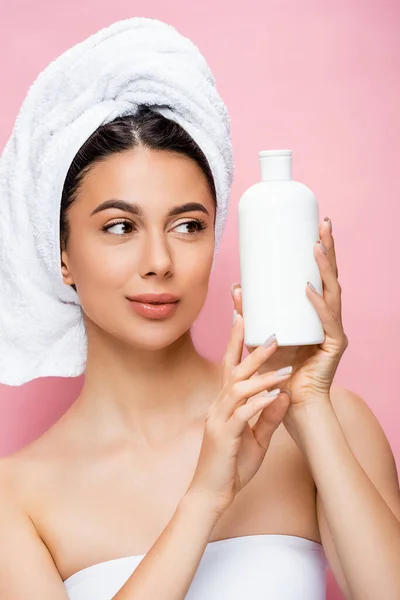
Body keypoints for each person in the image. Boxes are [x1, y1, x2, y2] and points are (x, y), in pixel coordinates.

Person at [1, 25, 400, 600]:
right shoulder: (16, 499)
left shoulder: (329, 422)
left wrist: (308, 407)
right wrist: (204, 498)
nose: (160, 261)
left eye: (189, 225)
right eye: (120, 227)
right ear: (60, 253)